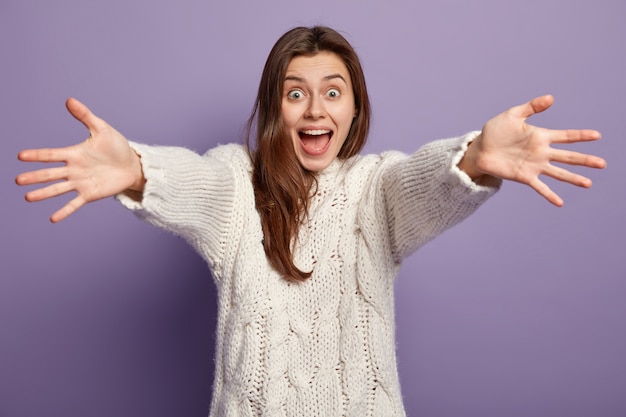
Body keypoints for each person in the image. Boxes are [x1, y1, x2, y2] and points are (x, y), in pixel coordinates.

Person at [15, 26, 605, 417]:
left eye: (333, 91)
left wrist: (473, 158)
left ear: (354, 106)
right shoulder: (237, 181)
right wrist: (141, 169)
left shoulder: (374, 188)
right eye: (296, 93)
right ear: (276, 105)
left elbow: (420, 183)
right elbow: (198, 184)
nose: (316, 108)